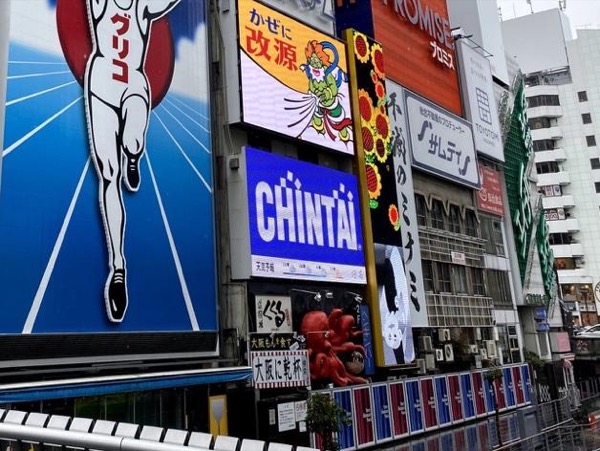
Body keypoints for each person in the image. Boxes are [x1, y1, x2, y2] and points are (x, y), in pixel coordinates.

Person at [84, 0, 180, 322]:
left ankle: (134, 154)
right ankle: (118, 267)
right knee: (108, 176)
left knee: (133, 139)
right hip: (100, 86)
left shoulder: (142, 6)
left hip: (133, 85)